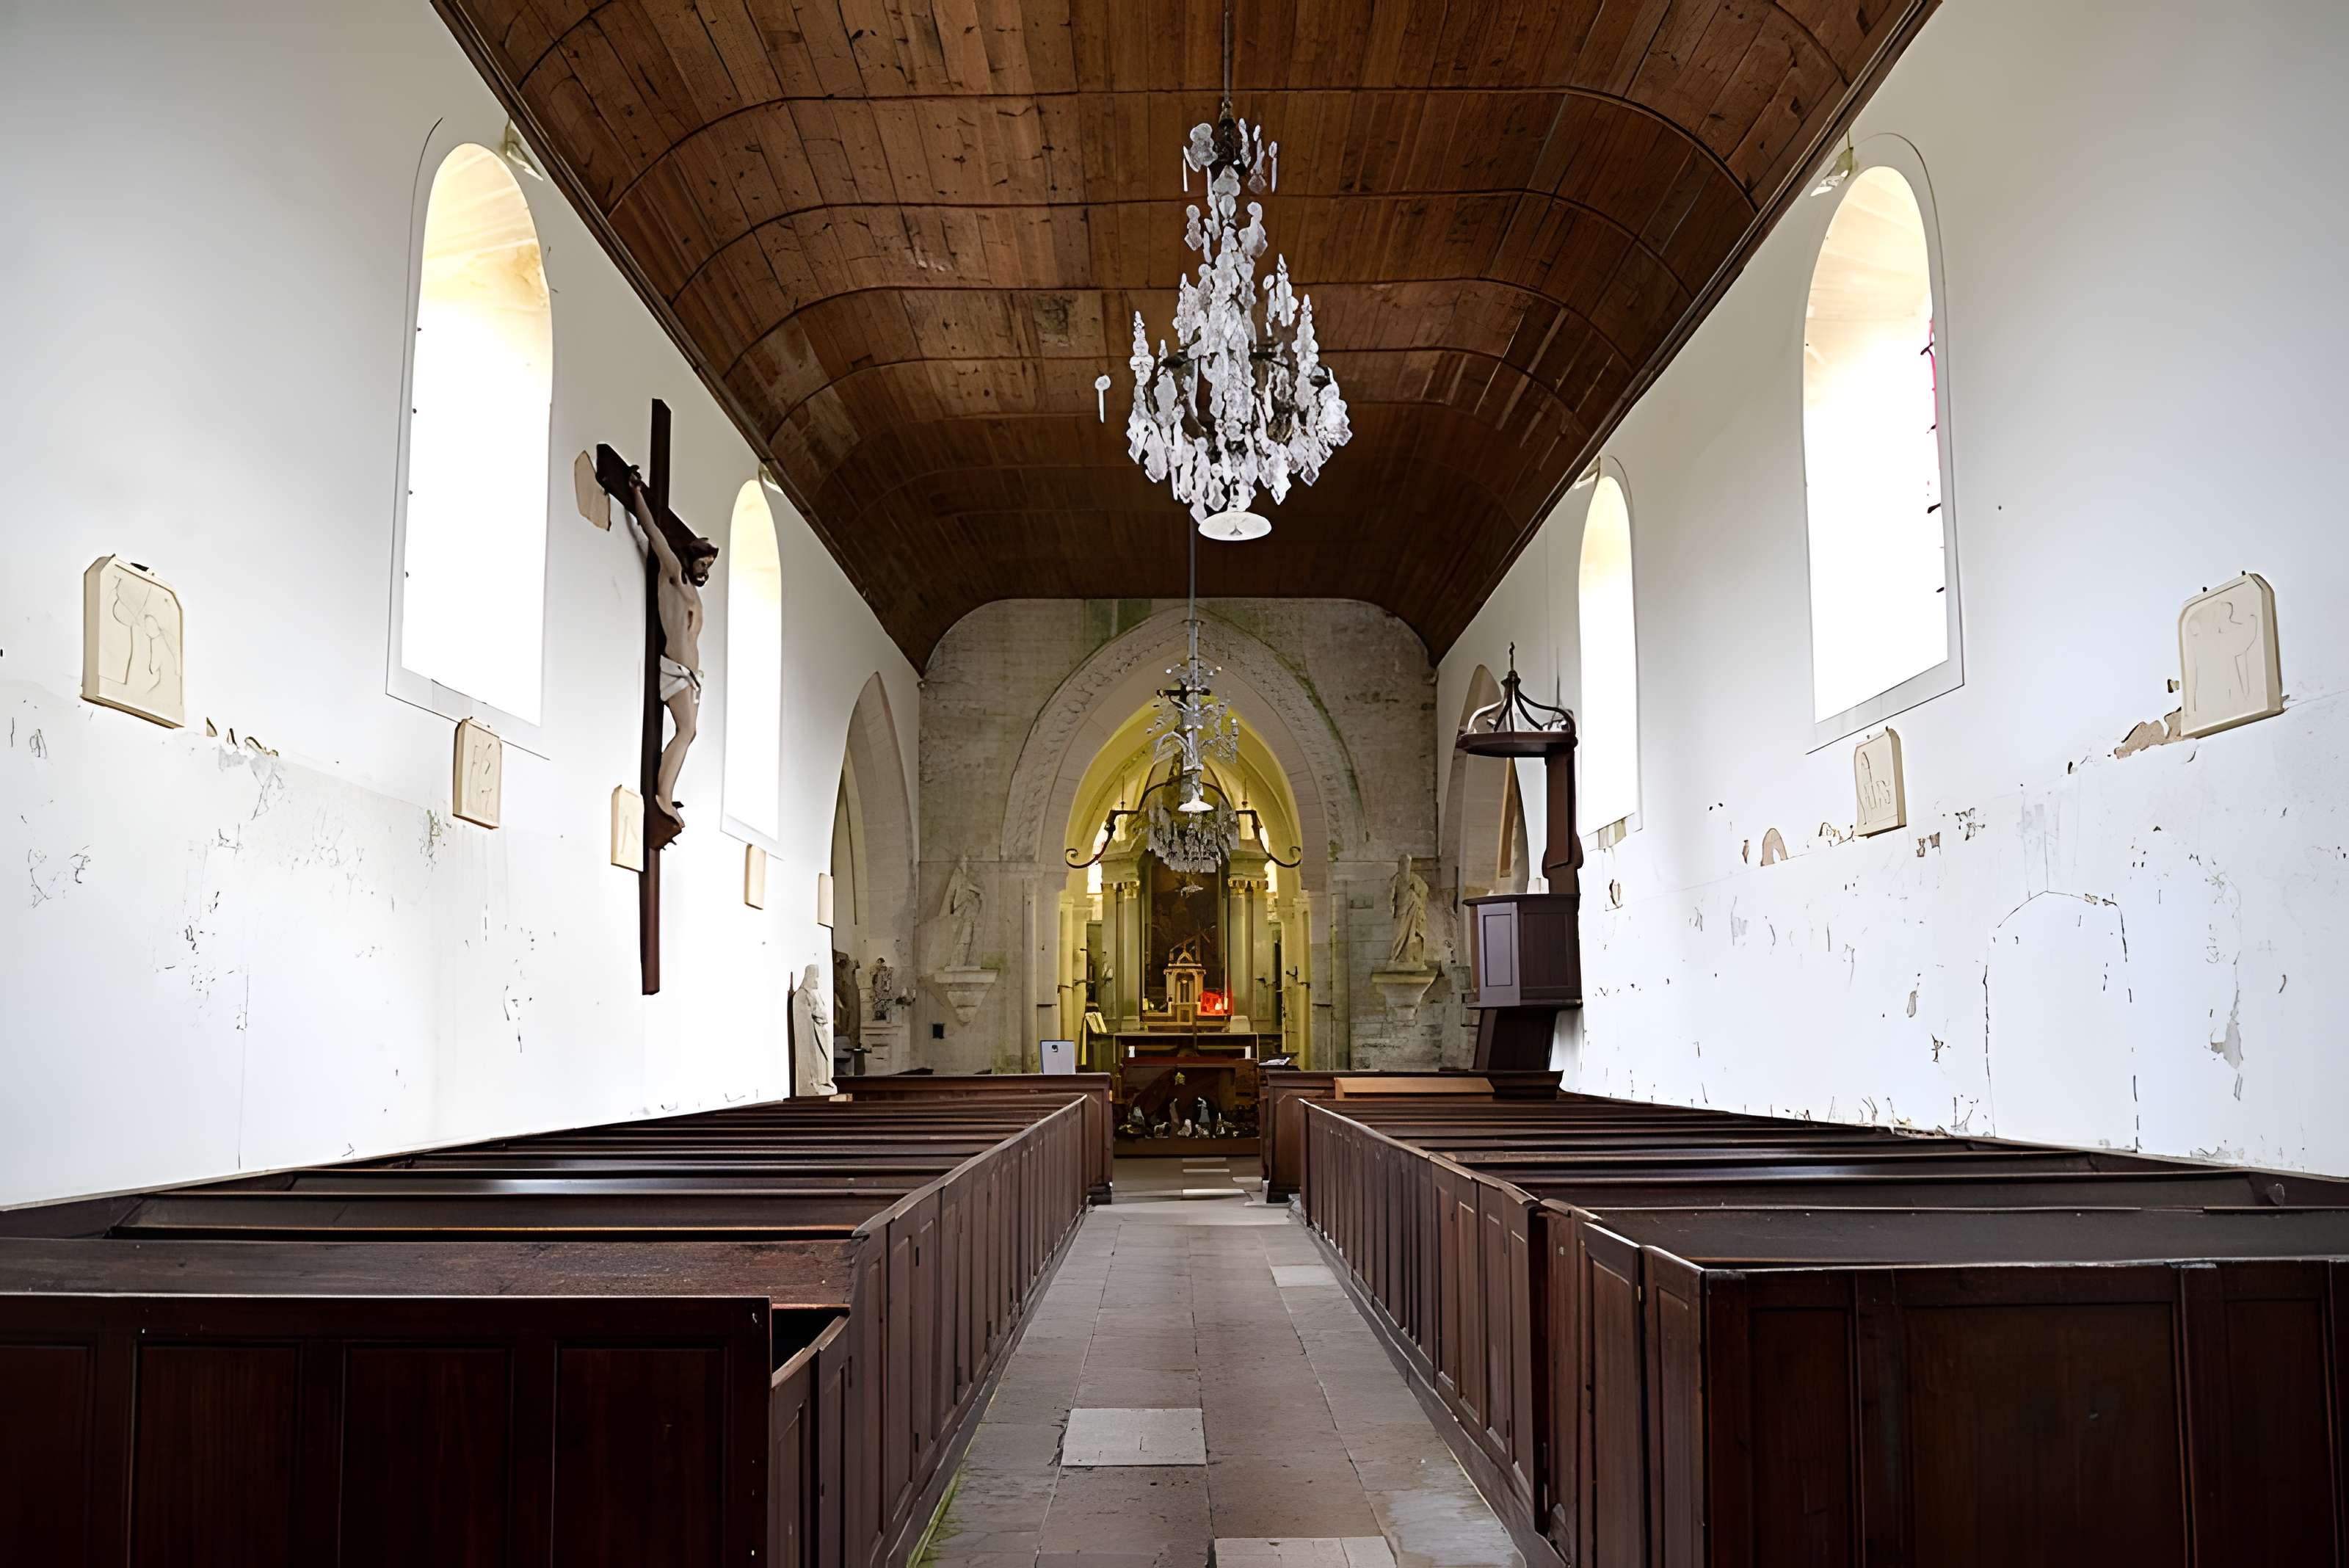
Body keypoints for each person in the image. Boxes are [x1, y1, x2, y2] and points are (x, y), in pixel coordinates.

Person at [625, 474, 717, 833]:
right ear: (691, 559)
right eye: (703, 564)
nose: (705, 571)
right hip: (676, 668)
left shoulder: (693, 593)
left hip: (690, 676)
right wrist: (637, 496)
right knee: (687, 730)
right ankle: (663, 795)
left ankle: (666, 792)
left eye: (709, 566)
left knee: (689, 732)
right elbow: (654, 534)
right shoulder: (674, 574)